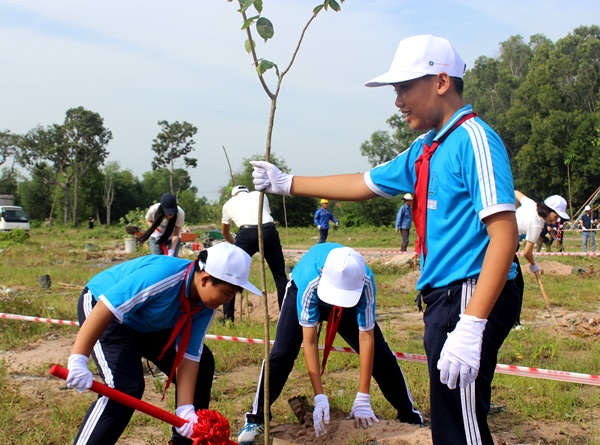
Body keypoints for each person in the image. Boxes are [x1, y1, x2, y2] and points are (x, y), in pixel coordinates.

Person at [249, 34, 521, 445]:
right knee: (454, 419)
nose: (398, 101)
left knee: (459, 422)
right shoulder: (425, 149)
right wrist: (288, 183)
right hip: (444, 299)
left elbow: (504, 237)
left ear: (441, 82)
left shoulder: (474, 140)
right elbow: (363, 182)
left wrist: (472, 322)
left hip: (469, 292)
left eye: (405, 88)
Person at [65, 242, 261, 445]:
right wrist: (78, 358)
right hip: (105, 310)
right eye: (227, 293)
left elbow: (190, 354)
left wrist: (185, 410)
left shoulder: (205, 306)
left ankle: (183, 441)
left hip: (148, 323)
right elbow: (107, 307)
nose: (227, 300)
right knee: (124, 387)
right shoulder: (163, 275)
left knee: (203, 364)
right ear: (205, 280)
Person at [237, 243, 422, 444]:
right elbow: (309, 341)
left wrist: (363, 395)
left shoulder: (365, 280)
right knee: (282, 354)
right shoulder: (310, 280)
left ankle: (409, 415)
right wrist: (320, 396)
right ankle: (256, 418)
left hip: (349, 300)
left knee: (381, 355)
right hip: (306, 290)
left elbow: (366, 336)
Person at [220, 185, 287, 322]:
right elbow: (265, 216)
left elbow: (225, 232)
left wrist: (234, 243)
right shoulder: (259, 195)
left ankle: (228, 317)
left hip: (246, 234)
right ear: (246, 192)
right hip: (268, 230)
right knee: (280, 275)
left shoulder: (228, 204)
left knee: (231, 275)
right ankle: (286, 317)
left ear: (233, 195)